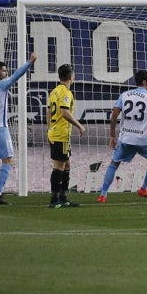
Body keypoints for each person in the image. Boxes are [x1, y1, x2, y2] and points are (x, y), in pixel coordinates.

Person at [97, 71, 147, 203]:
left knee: (114, 163)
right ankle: (144, 188)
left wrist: (112, 135)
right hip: (142, 139)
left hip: (126, 138)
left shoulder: (124, 95)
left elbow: (114, 115)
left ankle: (103, 195)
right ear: (144, 82)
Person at [0, 52, 38, 205]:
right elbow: (17, 75)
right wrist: (29, 62)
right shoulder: (1, 85)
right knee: (8, 161)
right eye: (4, 70)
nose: (6, 72)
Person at [47, 64, 86, 208]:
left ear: (59, 76)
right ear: (71, 76)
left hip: (55, 132)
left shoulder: (54, 91)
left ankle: (63, 198)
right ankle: (54, 200)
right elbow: (64, 112)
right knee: (59, 165)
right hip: (61, 134)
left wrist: (48, 130)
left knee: (66, 164)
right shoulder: (66, 93)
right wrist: (79, 125)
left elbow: (49, 112)